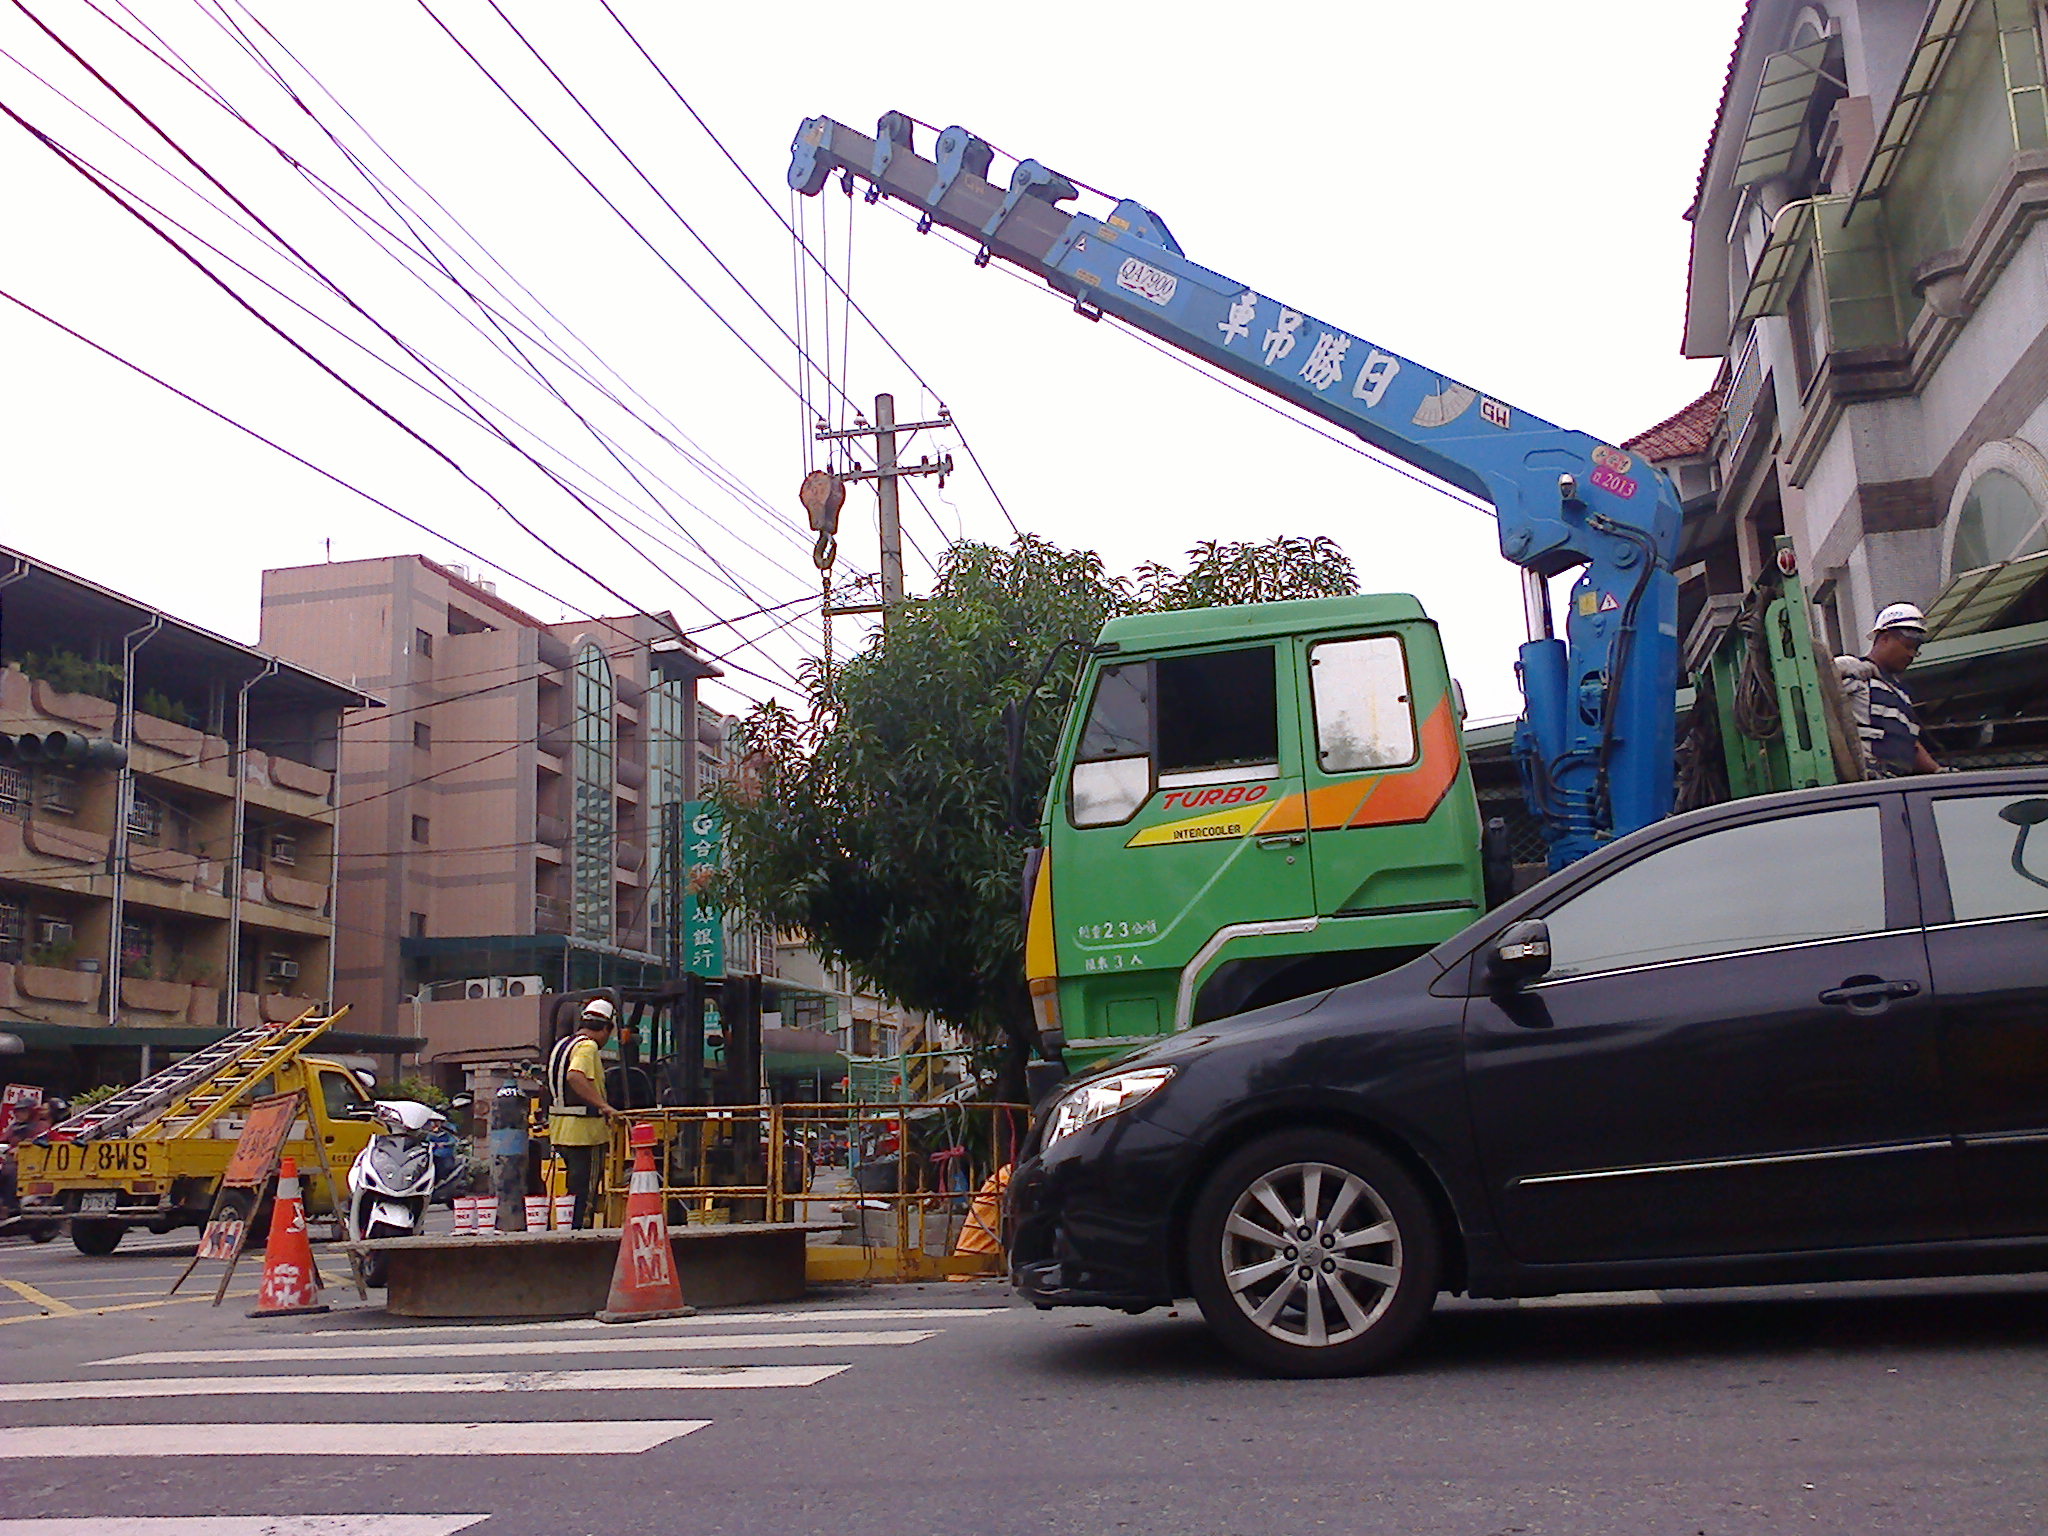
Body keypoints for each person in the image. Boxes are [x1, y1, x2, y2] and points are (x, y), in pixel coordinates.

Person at [1836, 602, 1942, 778]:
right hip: (1867, 778)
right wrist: (1843, 667)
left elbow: (1911, 744)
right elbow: (1820, 678)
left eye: (1916, 650)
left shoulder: (1901, 695)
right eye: (1908, 646)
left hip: (1895, 780)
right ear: (1885, 638)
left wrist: (1937, 770)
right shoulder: (1857, 672)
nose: (1911, 654)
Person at [546, 998, 623, 1228]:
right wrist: (604, 1106)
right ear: (607, 1028)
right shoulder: (588, 1047)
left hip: (560, 1131)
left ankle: (569, 1229)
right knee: (585, 1193)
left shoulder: (563, 1044)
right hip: (585, 1134)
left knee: (573, 1191)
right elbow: (575, 1076)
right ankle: (580, 1234)